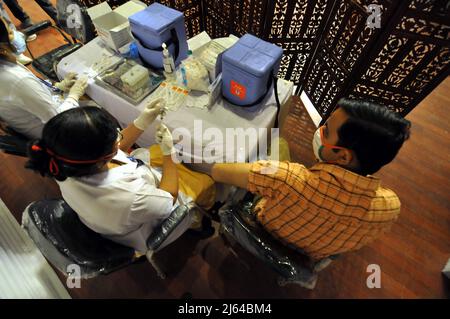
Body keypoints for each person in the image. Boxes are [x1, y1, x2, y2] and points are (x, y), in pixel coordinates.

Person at [188, 98, 411, 261]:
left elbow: (218, 171)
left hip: (265, 227)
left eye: (327, 131)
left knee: (278, 144)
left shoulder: (287, 177)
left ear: (343, 155)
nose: (320, 131)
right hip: (310, 254)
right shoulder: (390, 206)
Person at [25, 102, 216, 253]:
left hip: (117, 206)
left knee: (153, 151)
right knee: (205, 183)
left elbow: (116, 150)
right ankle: (198, 224)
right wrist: (169, 153)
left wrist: (142, 121)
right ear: (103, 157)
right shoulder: (129, 196)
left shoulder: (63, 163)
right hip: (145, 219)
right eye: (116, 137)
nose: (119, 136)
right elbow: (168, 198)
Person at [0, 15, 87, 138]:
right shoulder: (17, 80)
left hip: (43, 116)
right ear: (2, 45)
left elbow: (29, 97)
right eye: (10, 32)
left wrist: (57, 87)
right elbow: (59, 120)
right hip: (58, 134)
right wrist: (73, 96)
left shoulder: (5, 62)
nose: (17, 34)